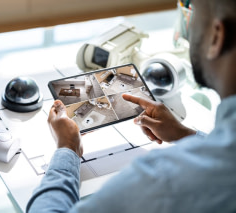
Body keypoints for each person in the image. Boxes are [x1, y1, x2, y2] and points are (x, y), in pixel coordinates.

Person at [26, 0, 236, 212]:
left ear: (215, 37)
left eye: (193, 15)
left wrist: (67, 148)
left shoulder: (160, 180)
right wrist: (186, 135)